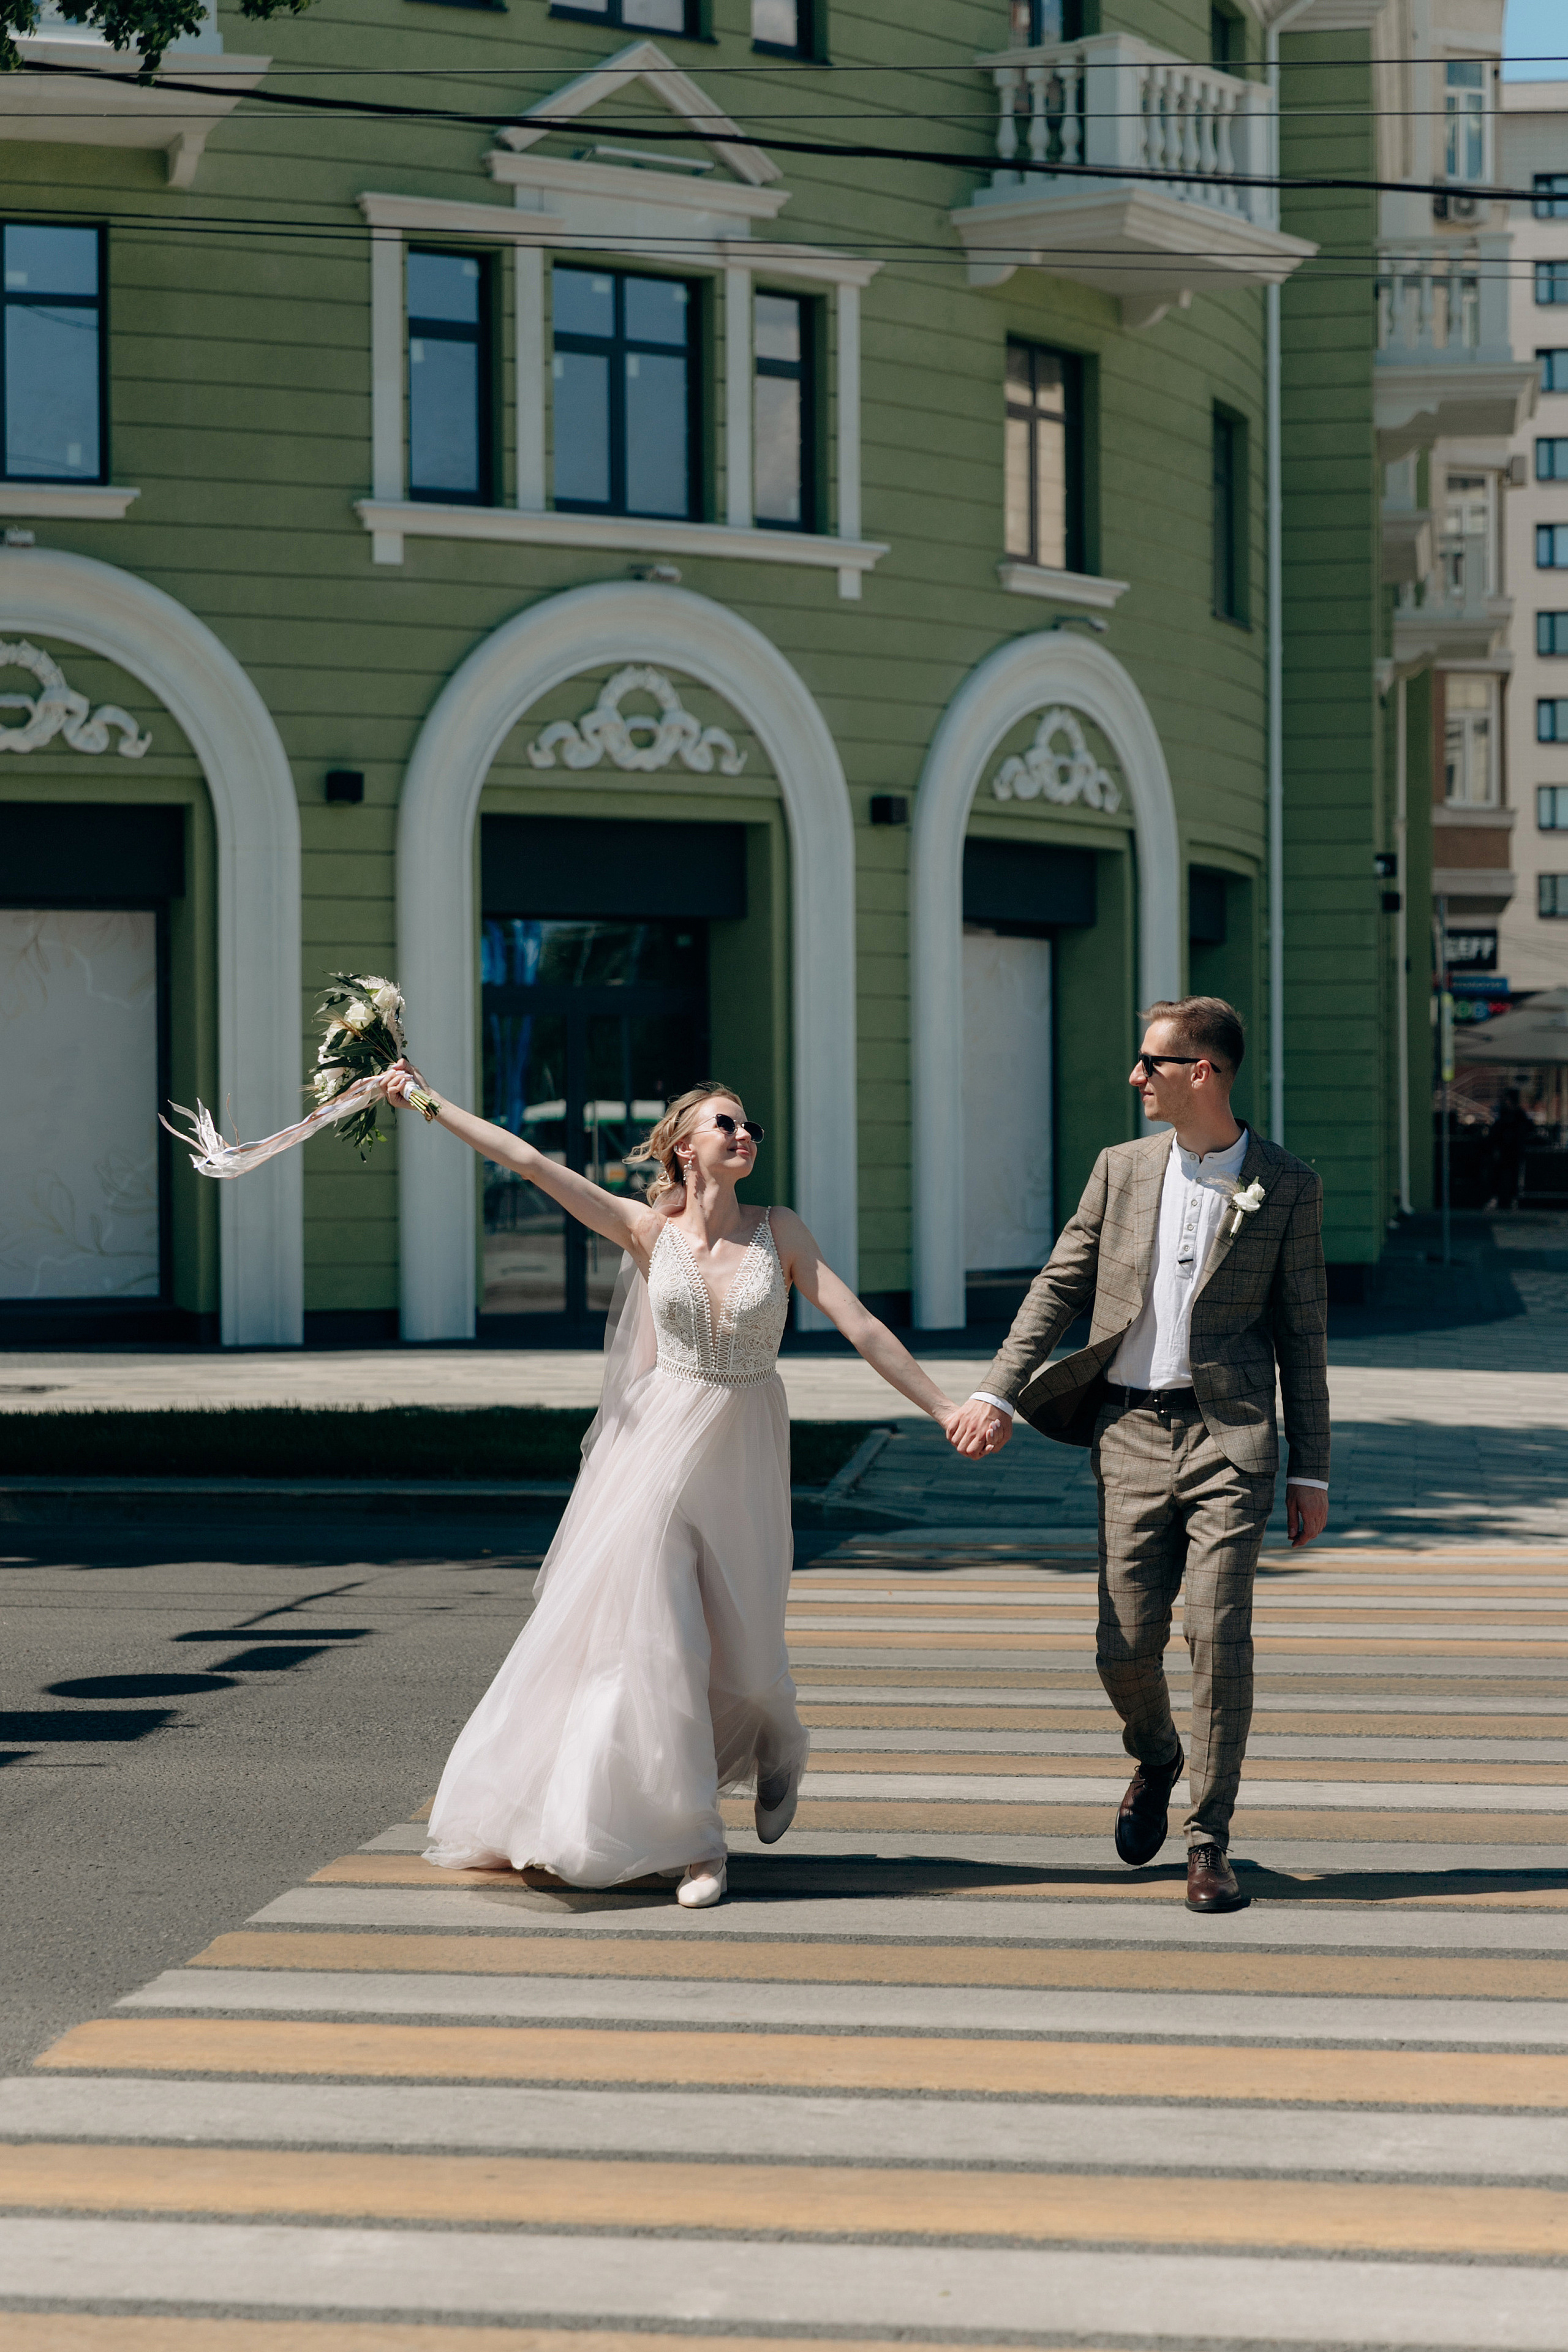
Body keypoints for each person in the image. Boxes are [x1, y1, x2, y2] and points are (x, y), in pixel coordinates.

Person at [385, 1065, 960, 1907]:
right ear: (685, 1148)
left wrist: (947, 1408)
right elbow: (531, 1163)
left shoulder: (781, 1231)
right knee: (660, 1649)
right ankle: (698, 1845)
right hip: (655, 1453)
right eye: (726, 1124)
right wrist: (425, 1103)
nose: (745, 1134)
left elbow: (862, 1325)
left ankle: (779, 1741)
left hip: (746, 1449)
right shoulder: (646, 1232)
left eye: (750, 1124)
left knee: (752, 1661)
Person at [944, 998, 1330, 1915]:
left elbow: (1303, 1335)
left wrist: (1311, 1468)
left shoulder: (1286, 1183)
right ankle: (1157, 1756)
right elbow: (1062, 1281)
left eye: (1152, 1062)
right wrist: (998, 1389)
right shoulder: (1120, 1170)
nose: (1136, 1077)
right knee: (1123, 1647)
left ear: (1204, 1071)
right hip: (1126, 1432)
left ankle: (1211, 1841)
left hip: (1229, 1438)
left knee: (1219, 1635)